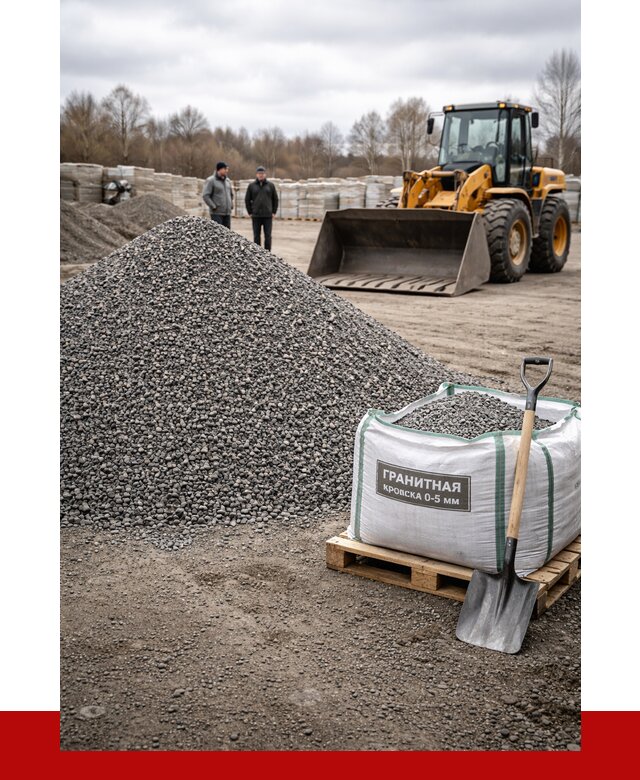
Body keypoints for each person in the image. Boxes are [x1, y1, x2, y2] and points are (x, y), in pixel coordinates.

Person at [245, 166, 279, 251]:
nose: (261, 175)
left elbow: (275, 199)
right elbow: (247, 199)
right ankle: (257, 253)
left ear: (265, 174)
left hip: (267, 215)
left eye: (262, 174)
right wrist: (250, 212)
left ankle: (268, 253)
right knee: (256, 236)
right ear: (256, 174)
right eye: (259, 174)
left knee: (268, 236)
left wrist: (274, 211)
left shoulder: (270, 186)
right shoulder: (251, 186)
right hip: (256, 215)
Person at [202, 162, 234, 228]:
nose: (226, 171)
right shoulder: (211, 180)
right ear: (219, 169)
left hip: (227, 213)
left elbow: (231, 194)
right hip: (216, 213)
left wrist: (231, 205)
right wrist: (213, 206)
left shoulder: (227, 181)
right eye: (225, 169)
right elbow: (206, 195)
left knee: (228, 235)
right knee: (218, 234)